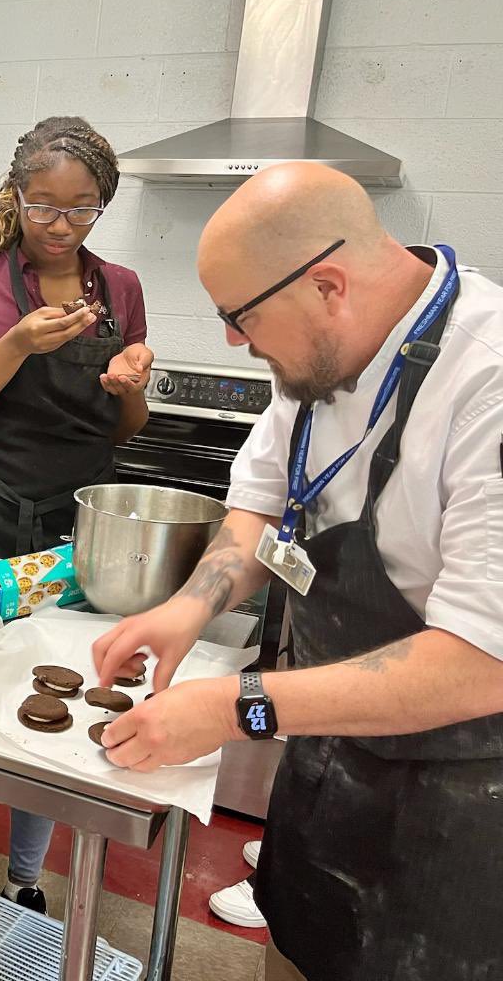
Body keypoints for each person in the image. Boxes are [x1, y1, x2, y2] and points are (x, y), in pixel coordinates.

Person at [93, 162, 503, 981]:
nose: (233, 342)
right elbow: (258, 507)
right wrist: (188, 607)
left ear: (327, 285)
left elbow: (481, 662)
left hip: (466, 805)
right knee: (297, 948)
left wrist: (239, 704)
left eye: (238, 316)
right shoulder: (317, 355)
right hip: (328, 752)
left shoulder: (486, 379)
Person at [0, 116, 154, 912]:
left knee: (52, 692)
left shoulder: (119, 289)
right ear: (16, 197)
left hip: (74, 521)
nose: (60, 227)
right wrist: (15, 345)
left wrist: (131, 388)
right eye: (43, 207)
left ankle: (23, 878)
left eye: (81, 209)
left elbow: (125, 428)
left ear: (103, 205)